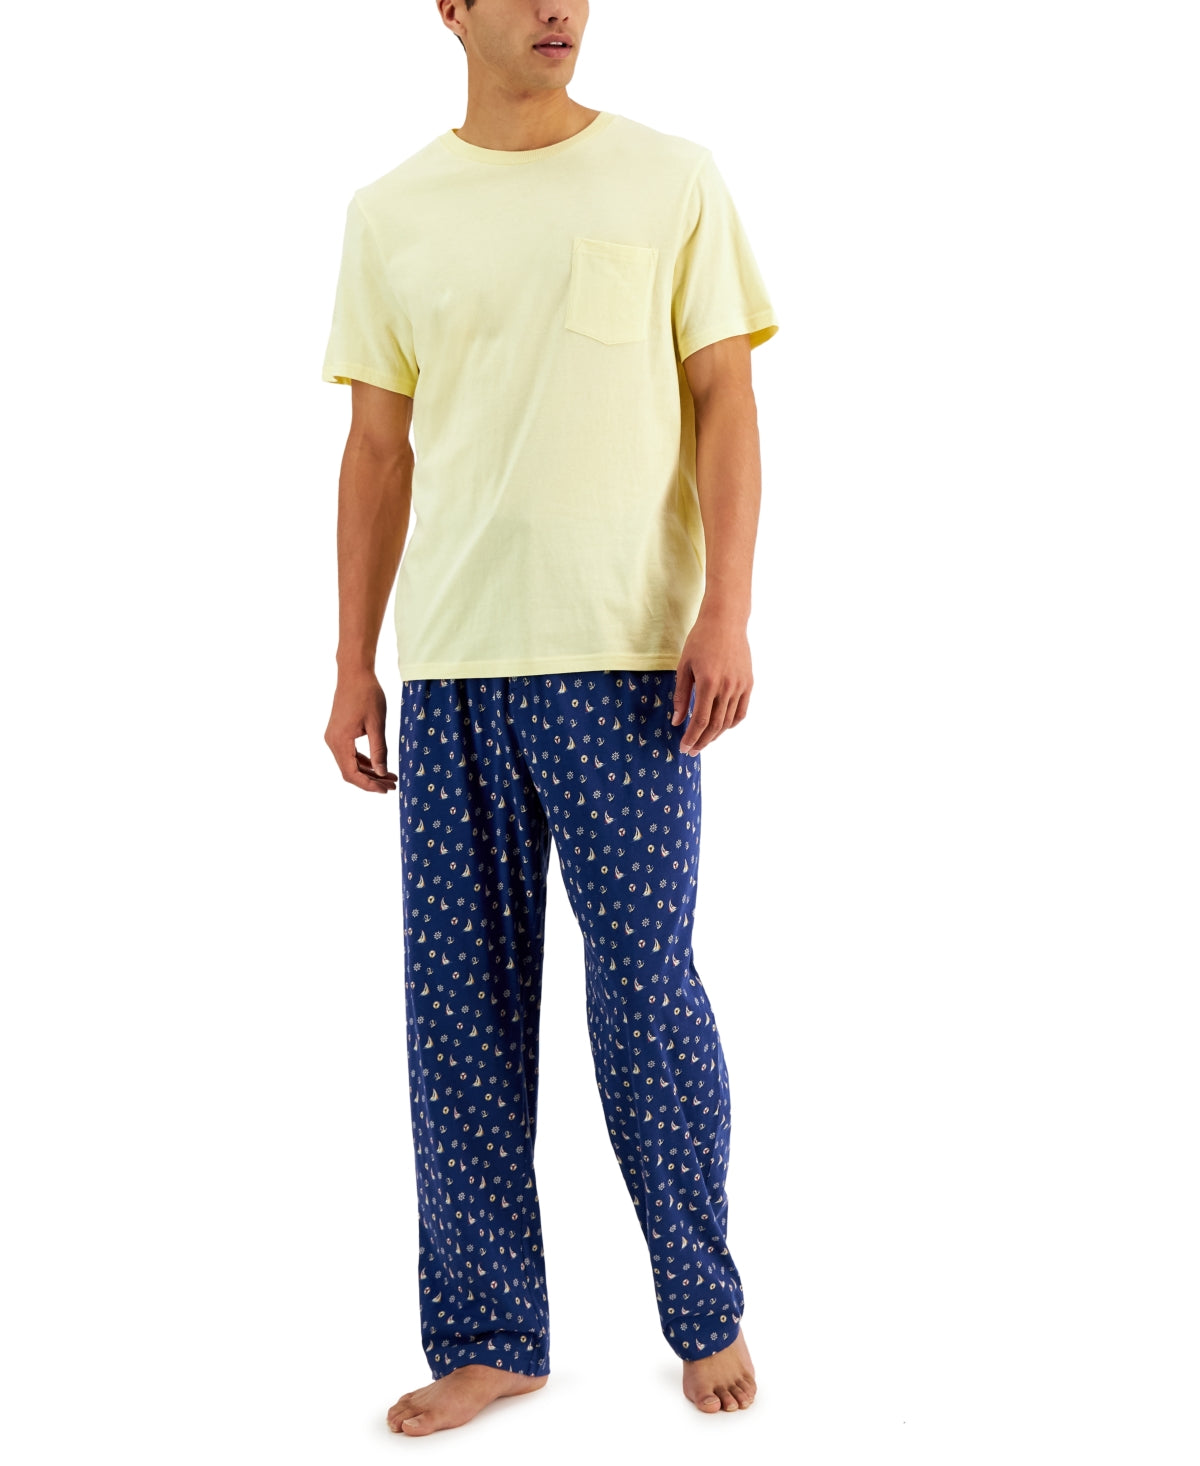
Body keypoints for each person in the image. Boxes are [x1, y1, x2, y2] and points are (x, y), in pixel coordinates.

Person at [321, 0, 779, 1437]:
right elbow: (377, 451)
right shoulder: (392, 213)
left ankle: (702, 1305)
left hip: (631, 667)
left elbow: (725, 398)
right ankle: (490, 1337)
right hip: (455, 671)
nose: (557, 8)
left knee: (646, 1004)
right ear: (450, 10)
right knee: (459, 1019)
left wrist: (726, 609)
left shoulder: (671, 177)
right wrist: (352, 661)